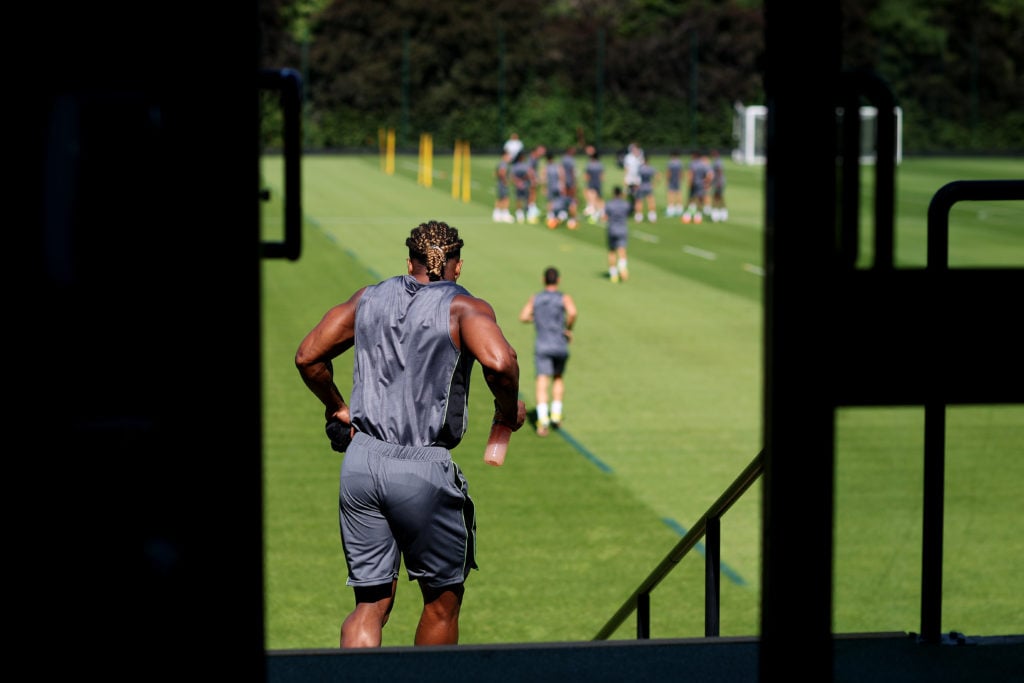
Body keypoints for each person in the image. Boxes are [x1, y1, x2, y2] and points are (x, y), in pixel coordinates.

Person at [295, 220, 527, 648]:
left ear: (409, 262)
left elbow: (308, 355)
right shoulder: (465, 308)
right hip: (422, 470)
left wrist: (336, 405)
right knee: (441, 601)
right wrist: (506, 409)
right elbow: (499, 361)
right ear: (456, 265)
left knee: (371, 603)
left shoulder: (368, 298)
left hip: (361, 461)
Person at [518, 267, 577, 437]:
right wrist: (568, 328)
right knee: (558, 377)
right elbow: (572, 312)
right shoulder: (564, 298)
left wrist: (537, 318)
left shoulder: (536, 298)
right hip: (559, 343)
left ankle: (542, 420)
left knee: (542, 382)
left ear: (544, 280)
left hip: (542, 345)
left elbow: (523, 316)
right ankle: (556, 414)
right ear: (558, 280)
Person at [603, 185, 631, 283]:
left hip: (612, 229)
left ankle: (613, 274)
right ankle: (622, 268)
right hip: (622, 229)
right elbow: (629, 213)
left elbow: (605, 217)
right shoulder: (625, 204)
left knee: (612, 252)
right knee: (622, 251)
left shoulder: (609, 204)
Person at [682, 149, 712, 224]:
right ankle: (698, 216)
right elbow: (710, 175)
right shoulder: (704, 164)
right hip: (701, 185)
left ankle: (689, 215)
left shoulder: (692, 164)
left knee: (691, 199)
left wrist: (689, 184)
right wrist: (707, 183)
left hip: (694, 184)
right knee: (700, 200)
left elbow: (690, 175)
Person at [583, 146, 605, 223]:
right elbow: (602, 177)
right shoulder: (600, 164)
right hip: (598, 184)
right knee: (598, 198)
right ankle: (602, 213)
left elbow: (586, 176)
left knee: (592, 198)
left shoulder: (589, 165)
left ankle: (594, 213)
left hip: (591, 184)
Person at [492, 151, 514, 223]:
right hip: (502, 183)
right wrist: (505, 181)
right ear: (504, 156)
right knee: (505, 198)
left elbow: (495, 173)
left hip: (500, 183)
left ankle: (498, 214)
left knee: (501, 198)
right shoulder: (503, 164)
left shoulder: (501, 163)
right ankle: (504, 214)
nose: (510, 158)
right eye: (508, 156)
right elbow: (501, 172)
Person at [634, 156, 658, 223]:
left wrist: (636, 186)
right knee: (650, 200)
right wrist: (654, 184)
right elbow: (657, 176)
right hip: (648, 186)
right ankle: (652, 216)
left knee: (639, 201)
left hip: (641, 186)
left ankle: (638, 216)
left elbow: (637, 178)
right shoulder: (651, 168)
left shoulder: (640, 168)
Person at [709, 148, 728, 222]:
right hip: (718, 182)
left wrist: (718, 182)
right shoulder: (717, 161)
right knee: (719, 197)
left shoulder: (717, 162)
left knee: (716, 197)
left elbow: (720, 171)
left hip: (718, 182)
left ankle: (717, 214)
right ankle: (722, 213)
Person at [664, 150, 684, 217]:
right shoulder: (680, 162)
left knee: (671, 194)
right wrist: (680, 179)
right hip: (677, 180)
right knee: (678, 193)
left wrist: (667, 180)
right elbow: (681, 173)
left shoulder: (670, 163)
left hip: (672, 180)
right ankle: (679, 209)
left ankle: (671, 209)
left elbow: (668, 172)